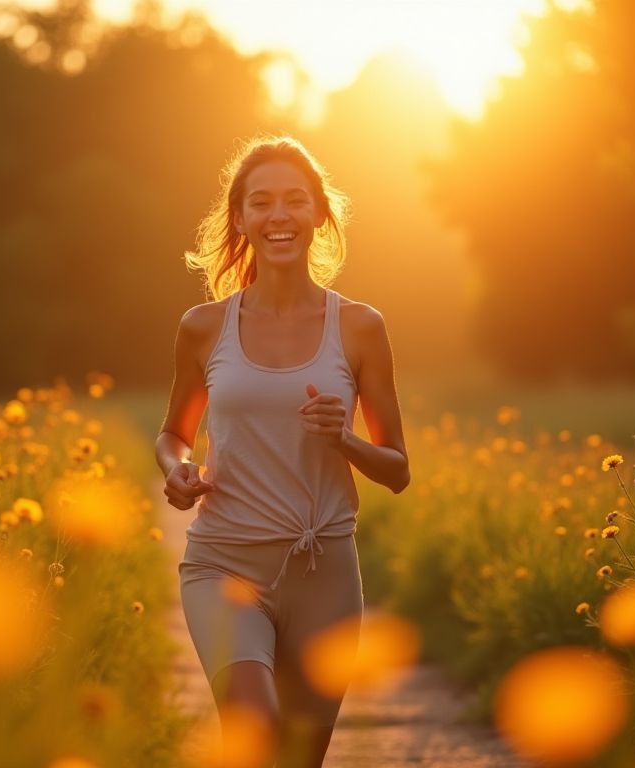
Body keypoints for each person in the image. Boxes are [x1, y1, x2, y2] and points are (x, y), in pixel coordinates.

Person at [156, 136, 410, 768]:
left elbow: (398, 469)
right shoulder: (203, 327)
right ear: (240, 218)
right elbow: (173, 434)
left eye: (295, 201)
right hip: (225, 567)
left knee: (297, 758)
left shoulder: (359, 327)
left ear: (319, 214)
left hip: (324, 573)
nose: (279, 217)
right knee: (258, 737)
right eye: (262, 203)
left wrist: (343, 439)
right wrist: (176, 472)